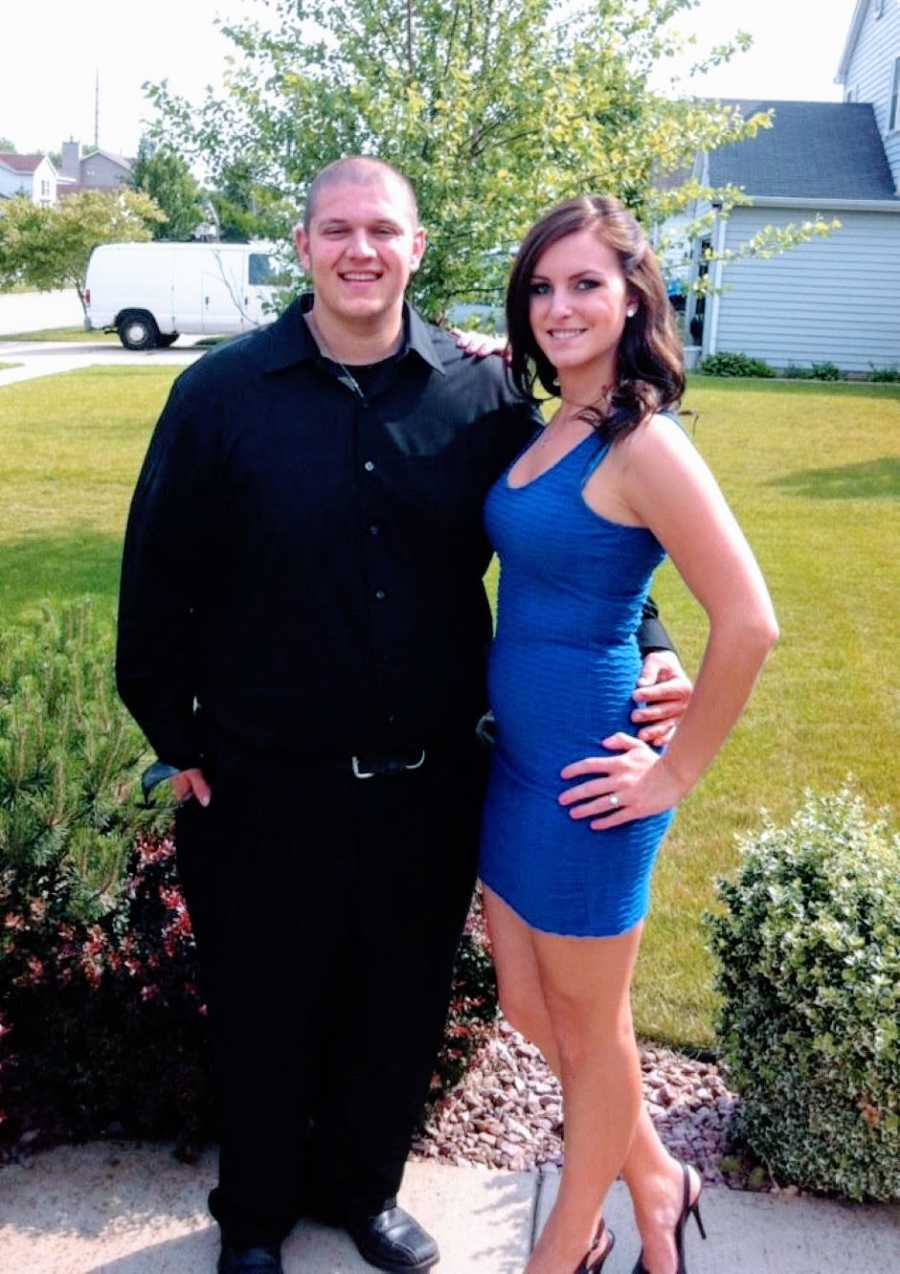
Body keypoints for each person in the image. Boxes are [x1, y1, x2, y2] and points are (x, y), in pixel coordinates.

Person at [116, 159, 692, 1274]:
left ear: (417, 249)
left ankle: (366, 1190)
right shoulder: (220, 395)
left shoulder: (478, 394)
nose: (361, 249)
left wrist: (657, 644)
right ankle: (254, 1217)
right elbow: (157, 578)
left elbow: (571, 529)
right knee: (263, 1010)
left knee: (399, 1009)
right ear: (302, 246)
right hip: (260, 779)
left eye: (384, 229)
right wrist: (175, 738)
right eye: (338, 229)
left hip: (429, 783)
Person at [478, 193, 779, 1274]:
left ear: (633, 296)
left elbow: (750, 619)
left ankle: (565, 1243)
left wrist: (675, 767)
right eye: (542, 288)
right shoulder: (555, 415)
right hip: (518, 769)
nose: (561, 305)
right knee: (526, 1001)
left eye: (586, 285)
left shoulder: (644, 439)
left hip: (593, 783)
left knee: (594, 1030)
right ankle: (660, 1176)